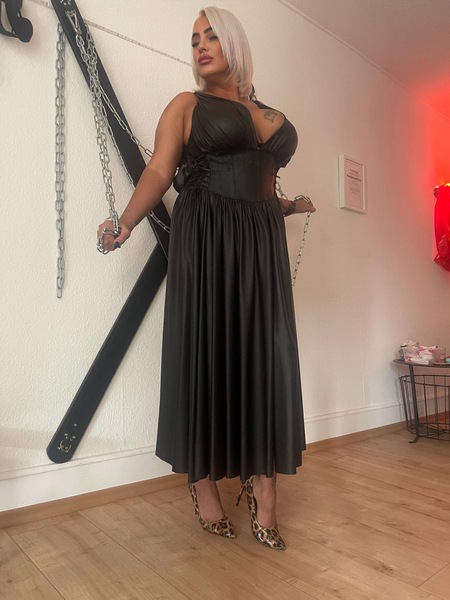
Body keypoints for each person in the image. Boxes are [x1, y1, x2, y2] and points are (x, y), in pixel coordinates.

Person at [97, 5, 315, 551]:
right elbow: (159, 170)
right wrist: (125, 221)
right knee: (207, 348)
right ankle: (203, 484)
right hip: (208, 235)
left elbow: (260, 180)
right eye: (194, 39)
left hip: (260, 240)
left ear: (235, 43)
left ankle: (264, 487)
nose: (200, 46)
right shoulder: (186, 105)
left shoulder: (265, 111)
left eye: (211, 36)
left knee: (265, 353)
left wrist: (289, 206)